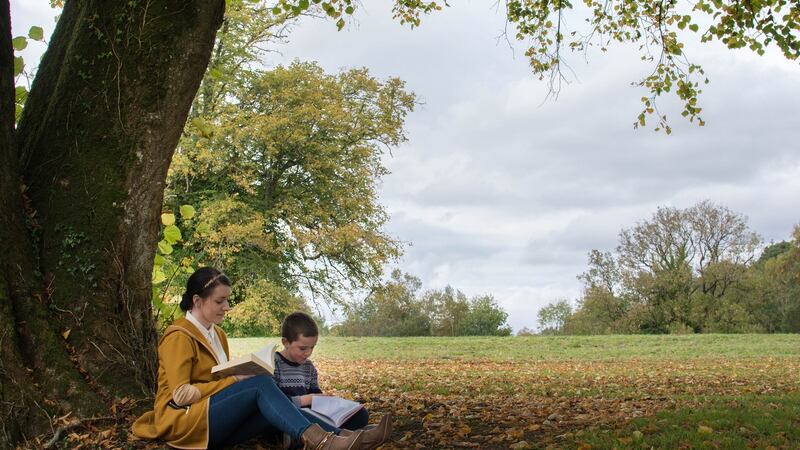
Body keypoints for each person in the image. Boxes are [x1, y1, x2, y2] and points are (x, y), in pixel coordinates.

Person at [131, 267, 388, 449]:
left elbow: (217, 378)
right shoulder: (179, 336)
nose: (227, 307)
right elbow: (181, 396)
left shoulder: (217, 334)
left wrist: (239, 376)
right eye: (220, 301)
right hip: (184, 424)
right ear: (197, 300)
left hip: (211, 419)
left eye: (227, 300)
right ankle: (327, 441)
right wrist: (236, 379)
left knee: (271, 405)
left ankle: (343, 437)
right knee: (261, 385)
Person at [273, 312, 379, 435]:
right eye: (302, 348)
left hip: (310, 414)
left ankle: (341, 433)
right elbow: (274, 403)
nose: (308, 353)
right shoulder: (275, 363)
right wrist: (306, 399)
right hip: (287, 415)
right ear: (285, 342)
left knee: (361, 414)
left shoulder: (308, 367)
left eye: (312, 347)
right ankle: (345, 435)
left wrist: (327, 402)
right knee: (298, 416)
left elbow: (315, 396)